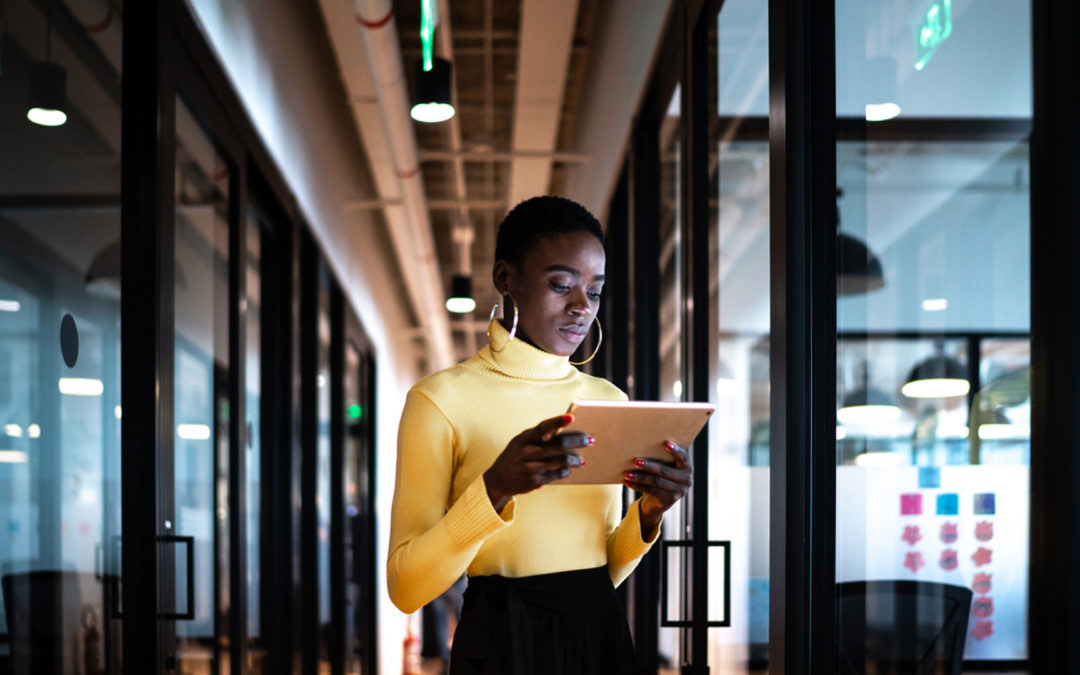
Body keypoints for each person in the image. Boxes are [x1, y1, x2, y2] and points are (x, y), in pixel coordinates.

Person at [387, 195, 693, 674]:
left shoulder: (607, 400)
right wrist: (494, 490)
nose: (580, 307)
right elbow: (406, 589)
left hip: (600, 637)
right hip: (501, 642)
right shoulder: (439, 399)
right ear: (506, 278)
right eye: (561, 284)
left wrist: (650, 514)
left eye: (594, 291)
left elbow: (604, 570)